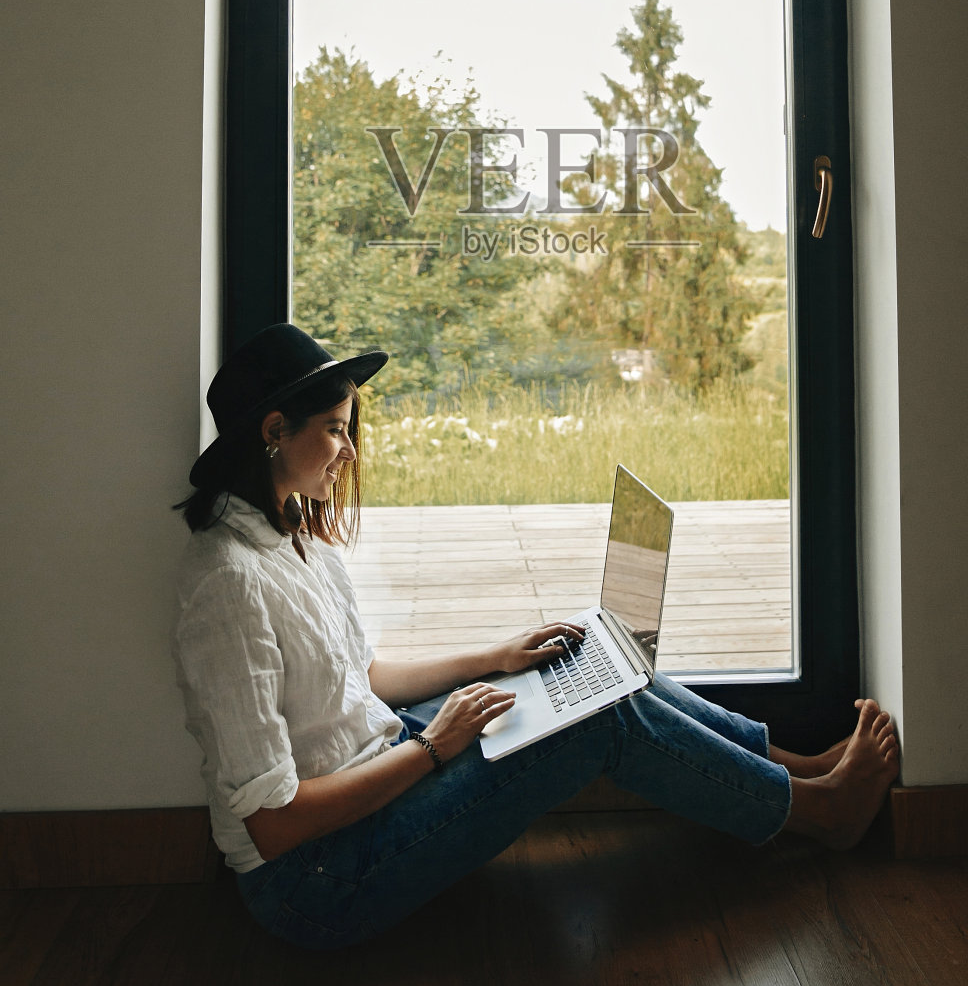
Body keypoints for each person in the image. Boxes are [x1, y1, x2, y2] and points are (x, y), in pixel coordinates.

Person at [172, 324, 899, 951]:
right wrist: (434, 749)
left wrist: (498, 656)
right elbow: (274, 826)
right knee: (597, 719)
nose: (348, 451)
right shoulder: (228, 585)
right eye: (335, 428)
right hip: (319, 881)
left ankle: (793, 769)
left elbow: (361, 678)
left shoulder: (293, 539)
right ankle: (821, 814)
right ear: (274, 431)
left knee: (591, 657)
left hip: (379, 765)